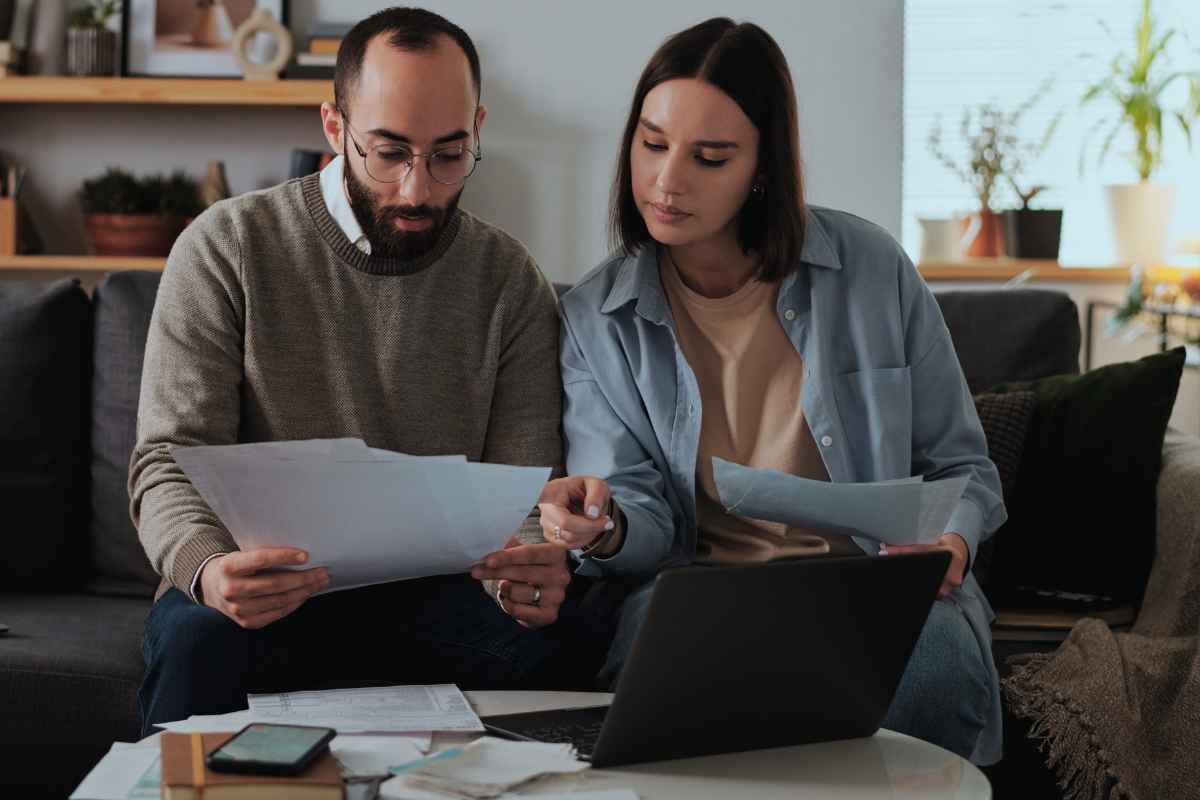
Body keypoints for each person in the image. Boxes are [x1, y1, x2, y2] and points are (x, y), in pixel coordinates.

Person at [536, 18, 1007, 765]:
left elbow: (964, 467)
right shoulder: (595, 318)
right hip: (700, 590)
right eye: (652, 144)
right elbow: (639, 514)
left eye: (710, 157)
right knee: (658, 668)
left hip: (872, 586)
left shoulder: (873, 271)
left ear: (761, 168)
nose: (667, 181)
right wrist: (603, 527)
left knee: (937, 665)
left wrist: (951, 539)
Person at [130, 7, 604, 737]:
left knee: (567, 642)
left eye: (450, 155)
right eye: (389, 153)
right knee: (198, 644)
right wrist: (208, 570)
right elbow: (164, 461)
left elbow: (525, 489)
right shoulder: (226, 248)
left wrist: (530, 567)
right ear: (334, 126)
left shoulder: (508, 279)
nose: (418, 190)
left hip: (441, 595)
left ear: (477, 128)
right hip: (256, 589)